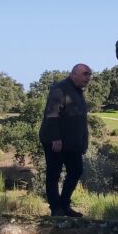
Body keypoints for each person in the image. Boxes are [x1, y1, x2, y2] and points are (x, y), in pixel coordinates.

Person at [38, 63, 92, 217]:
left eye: (89, 75)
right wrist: (56, 138)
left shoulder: (78, 92)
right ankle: (56, 209)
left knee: (76, 170)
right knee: (53, 174)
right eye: (85, 74)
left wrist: (83, 143)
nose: (88, 78)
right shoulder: (60, 89)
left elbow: (81, 121)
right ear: (73, 74)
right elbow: (52, 114)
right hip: (55, 142)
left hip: (72, 144)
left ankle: (64, 205)